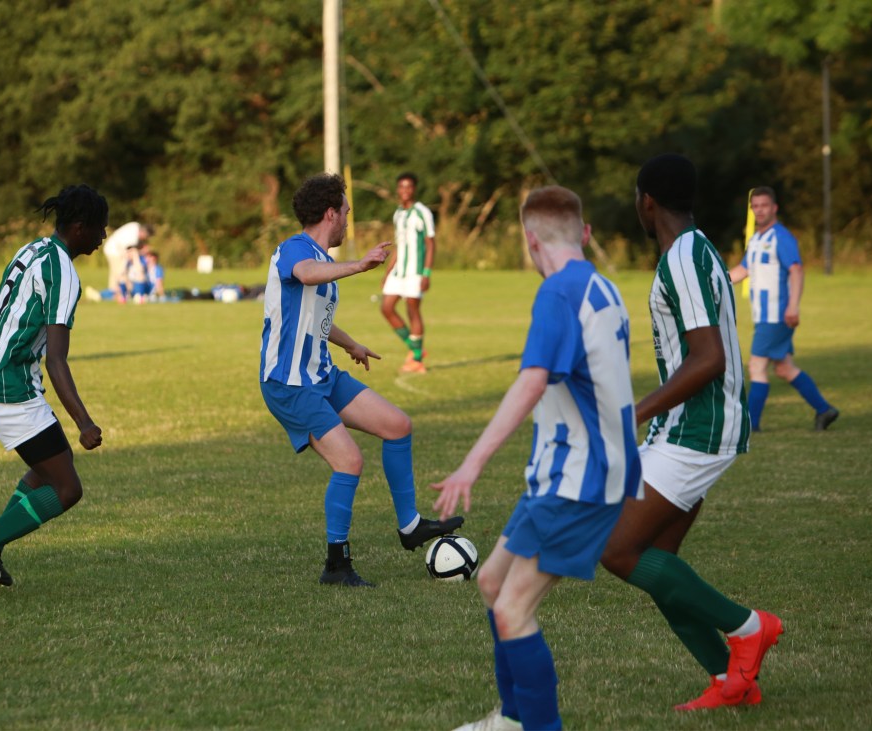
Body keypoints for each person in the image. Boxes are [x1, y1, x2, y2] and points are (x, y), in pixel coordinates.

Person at [433, 186, 642, 731]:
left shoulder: (557, 292)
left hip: (578, 479)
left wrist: (471, 464)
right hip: (571, 473)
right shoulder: (603, 286)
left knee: (512, 611)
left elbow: (531, 382)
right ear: (585, 233)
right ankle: (511, 720)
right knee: (491, 584)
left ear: (530, 241)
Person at [598, 154, 783, 710]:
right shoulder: (694, 250)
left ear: (647, 201)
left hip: (699, 427)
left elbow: (709, 358)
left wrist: (634, 412)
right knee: (657, 559)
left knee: (615, 548)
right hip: (686, 425)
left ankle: (749, 627)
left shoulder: (682, 257)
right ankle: (731, 682)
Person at [259, 173, 463, 588]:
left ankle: (410, 526)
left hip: (321, 374)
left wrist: (351, 344)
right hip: (290, 384)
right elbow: (307, 274)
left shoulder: (319, 256)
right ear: (330, 214)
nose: (348, 221)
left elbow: (313, 317)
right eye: (346, 212)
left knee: (397, 425)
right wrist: (359, 265)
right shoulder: (296, 249)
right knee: (349, 461)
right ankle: (336, 565)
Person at [0, 184, 107, 606]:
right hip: (9, 386)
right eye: (100, 228)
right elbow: (57, 361)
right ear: (79, 227)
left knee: (49, 467)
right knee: (67, 489)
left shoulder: (34, 249)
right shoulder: (64, 273)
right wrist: (84, 422)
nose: (104, 236)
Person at [728, 187, 839, 431]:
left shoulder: (781, 237)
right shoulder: (756, 239)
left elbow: (796, 270)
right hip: (763, 315)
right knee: (784, 368)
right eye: (755, 206)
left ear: (774, 208)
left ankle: (750, 425)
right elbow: (744, 269)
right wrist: (717, 281)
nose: (759, 210)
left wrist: (793, 306)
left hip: (776, 315)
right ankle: (824, 410)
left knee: (756, 367)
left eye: (764, 205)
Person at [380, 172, 436, 374]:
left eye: (409, 187)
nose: (405, 190)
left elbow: (430, 244)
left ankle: (417, 360)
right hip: (398, 272)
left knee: (412, 310)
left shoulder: (422, 212)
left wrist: (426, 273)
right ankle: (415, 347)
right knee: (386, 308)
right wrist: (388, 271)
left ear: (414, 189)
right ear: (398, 189)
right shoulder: (398, 214)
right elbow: (399, 245)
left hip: (415, 272)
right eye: (401, 187)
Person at [102, 221, 151, 302]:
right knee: (120, 273)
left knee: (117, 273)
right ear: (143, 232)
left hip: (113, 249)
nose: (144, 239)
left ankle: (117, 293)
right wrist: (141, 252)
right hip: (114, 251)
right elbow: (129, 251)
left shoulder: (135, 225)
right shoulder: (133, 238)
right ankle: (116, 294)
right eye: (145, 237)